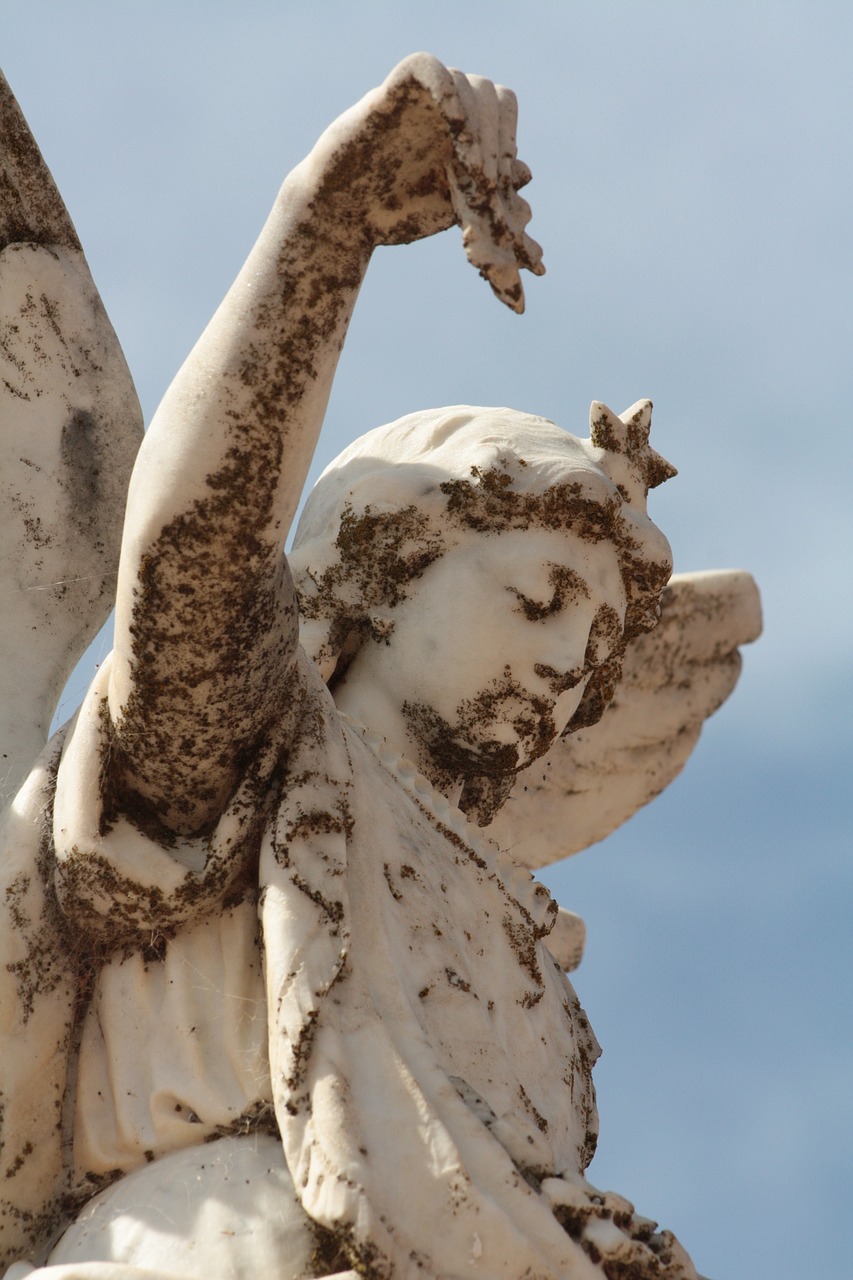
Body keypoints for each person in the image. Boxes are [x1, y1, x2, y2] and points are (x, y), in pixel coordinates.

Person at [0, 56, 699, 1279]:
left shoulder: (516, 928)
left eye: (595, 653)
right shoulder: (246, 753)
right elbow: (190, 554)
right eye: (539, 598)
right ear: (382, 566)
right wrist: (326, 229)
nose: (567, 670)